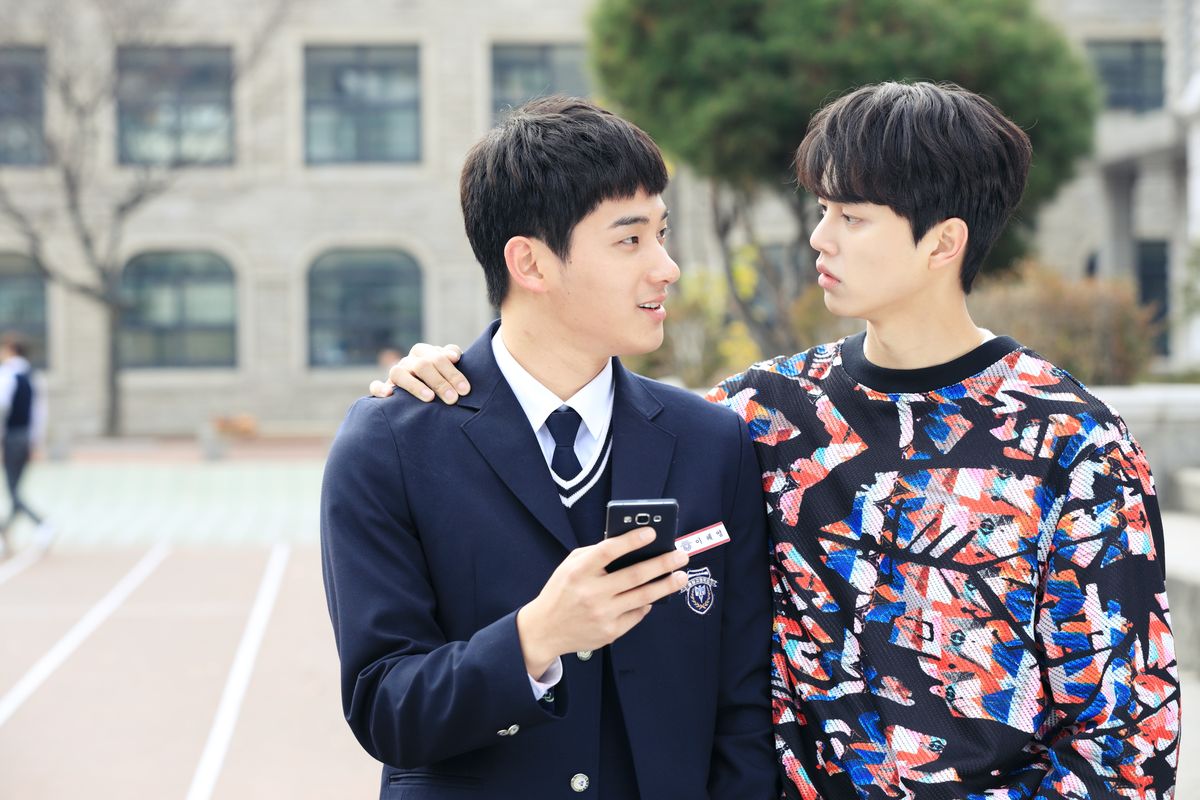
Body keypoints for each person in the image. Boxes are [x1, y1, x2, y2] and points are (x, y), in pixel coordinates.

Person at [376, 81, 1179, 798]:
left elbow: (1131, 747)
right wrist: (451, 377)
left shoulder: (1072, 444)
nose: (820, 238)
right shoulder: (761, 414)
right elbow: (571, 404)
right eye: (823, 210)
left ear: (943, 243)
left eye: (852, 218)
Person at [321, 96, 775, 799]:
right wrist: (535, 637)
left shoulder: (712, 442)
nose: (667, 267)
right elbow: (386, 707)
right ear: (529, 262)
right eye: (630, 240)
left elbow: (743, 713)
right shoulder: (390, 444)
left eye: (662, 233)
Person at [0, 332, 51, 558]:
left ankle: (41, 523)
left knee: (13, 489)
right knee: (14, 489)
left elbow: (2, 409)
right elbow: (39, 413)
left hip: (11, 437)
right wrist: (36, 441)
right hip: (25, 437)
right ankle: (4, 534)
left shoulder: (7, 375)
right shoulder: (34, 376)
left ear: (10, 349)